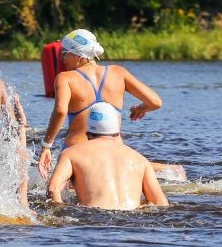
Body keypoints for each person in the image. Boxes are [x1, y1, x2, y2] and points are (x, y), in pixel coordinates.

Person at [37, 29, 168, 178]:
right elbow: (155, 102)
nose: (62, 59)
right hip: (114, 151)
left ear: (78, 55)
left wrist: (46, 145)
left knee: (54, 186)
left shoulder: (65, 78)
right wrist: (141, 108)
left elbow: (60, 111)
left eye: (64, 54)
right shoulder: (118, 72)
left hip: (78, 151)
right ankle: (173, 171)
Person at [47, 102, 169, 210]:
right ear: (117, 132)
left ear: (87, 133)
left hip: (94, 222)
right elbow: (160, 203)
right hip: (131, 224)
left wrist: (60, 212)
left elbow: (53, 189)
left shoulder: (71, 154)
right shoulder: (140, 160)